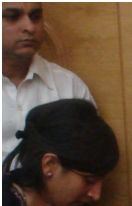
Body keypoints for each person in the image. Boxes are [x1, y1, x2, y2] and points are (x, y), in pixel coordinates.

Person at [2, 3, 93, 160]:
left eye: (35, 17)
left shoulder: (69, 87)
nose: (30, 27)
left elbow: (91, 160)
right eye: (12, 17)